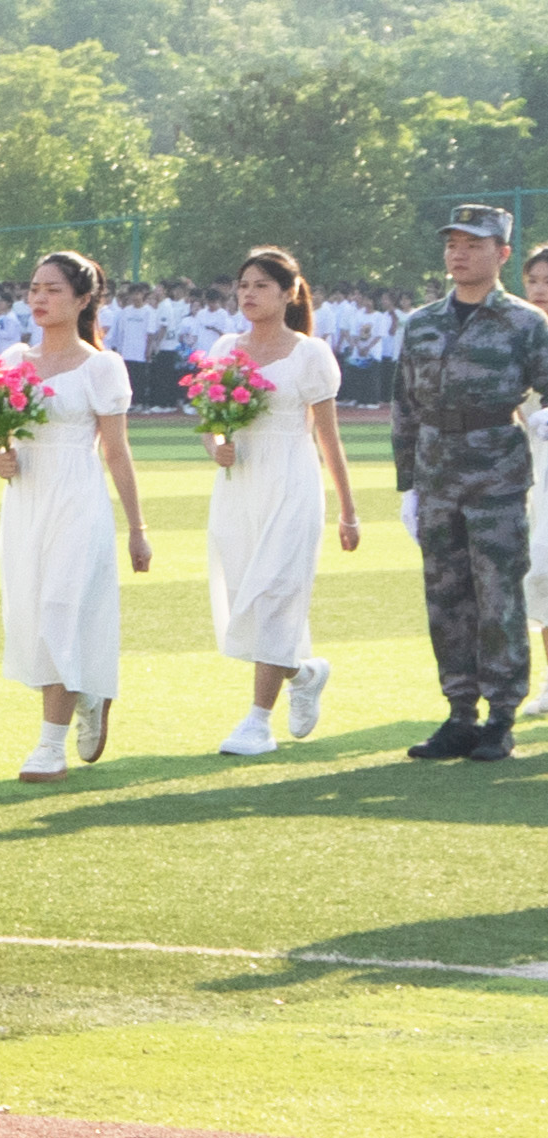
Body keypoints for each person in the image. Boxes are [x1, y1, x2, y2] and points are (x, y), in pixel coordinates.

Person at [388, 207, 545, 760]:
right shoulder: (423, 322)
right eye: (452, 243)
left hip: (496, 476)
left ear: (501, 254)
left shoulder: (527, 323)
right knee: (446, 600)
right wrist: (408, 484)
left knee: (499, 597)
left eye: (473, 245)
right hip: (436, 473)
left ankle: (500, 716)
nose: (459, 253)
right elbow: (405, 405)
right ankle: (459, 713)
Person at [0, 253, 152, 783]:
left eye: (53, 290)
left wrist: (137, 529)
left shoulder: (102, 366)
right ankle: (87, 689)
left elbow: (117, 451)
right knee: (33, 615)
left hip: (76, 498)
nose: (39, 298)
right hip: (25, 500)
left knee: (60, 607)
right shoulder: (14, 358)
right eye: (34, 288)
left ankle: (47, 745)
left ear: (84, 300)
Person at [202, 250, 359, 756]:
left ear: (290, 293)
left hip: (291, 481)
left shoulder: (310, 354)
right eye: (243, 285)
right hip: (239, 483)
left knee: (272, 595)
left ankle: (256, 721)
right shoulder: (226, 347)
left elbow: (329, 439)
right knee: (247, 595)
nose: (249, 294)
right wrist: (215, 447)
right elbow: (210, 422)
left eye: (262, 286)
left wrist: (348, 510)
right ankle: (305, 672)